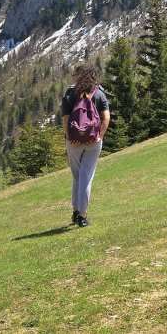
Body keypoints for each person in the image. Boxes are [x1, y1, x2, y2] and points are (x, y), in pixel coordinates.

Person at [61, 64, 110, 228]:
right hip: (93, 142)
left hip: (74, 142)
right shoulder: (99, 94)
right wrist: (99, 136)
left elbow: (66, 120)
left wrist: (69, 137)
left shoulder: (70, 94)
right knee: (86, 177)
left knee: (77, 176)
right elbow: (106, 118)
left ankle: (76, 211)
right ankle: (82, 215)